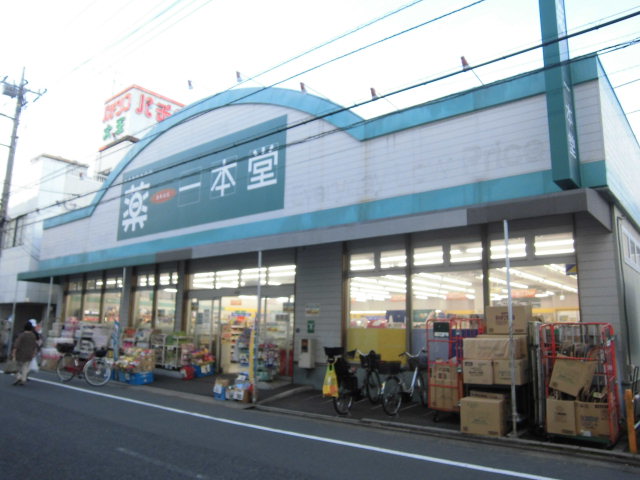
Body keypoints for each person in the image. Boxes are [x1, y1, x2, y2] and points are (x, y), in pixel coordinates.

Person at [10, 321, 39, 386]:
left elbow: (16, 345)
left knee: (16, 367)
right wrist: (34, 353)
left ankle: (18, 377)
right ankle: (23, 379)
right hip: (29, 354)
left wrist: (14, 353)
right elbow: (35, 345)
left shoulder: (22, 335)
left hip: (20, 353)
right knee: (25, 367)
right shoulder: (33, 336)